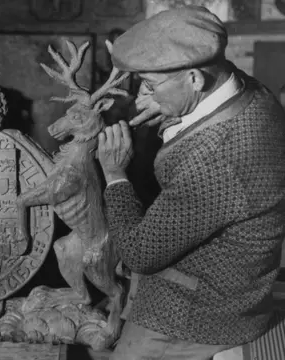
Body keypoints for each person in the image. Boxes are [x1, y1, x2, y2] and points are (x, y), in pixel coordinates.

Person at [96, 6, 285, 360]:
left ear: (195, 79)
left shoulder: (218, 159)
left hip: (202, 313)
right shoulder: (250, 91)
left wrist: (114, 174)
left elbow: (140, 254)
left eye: (150, 86)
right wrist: (173, 107)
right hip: (233, 283)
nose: (142, 98)